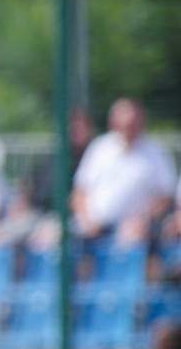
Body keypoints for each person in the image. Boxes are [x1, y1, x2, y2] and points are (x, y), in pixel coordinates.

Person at [71, 97, 176, 247]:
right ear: (113, 122)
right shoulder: (99, 148)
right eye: (123, 121)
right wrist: (88, 221)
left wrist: (143, 218)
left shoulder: (156, 152)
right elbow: (79, 192)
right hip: (90, 226)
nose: (127, 126)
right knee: (53, 239)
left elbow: (165, 196)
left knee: (132, 242)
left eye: (132, 122)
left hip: (134, 228)